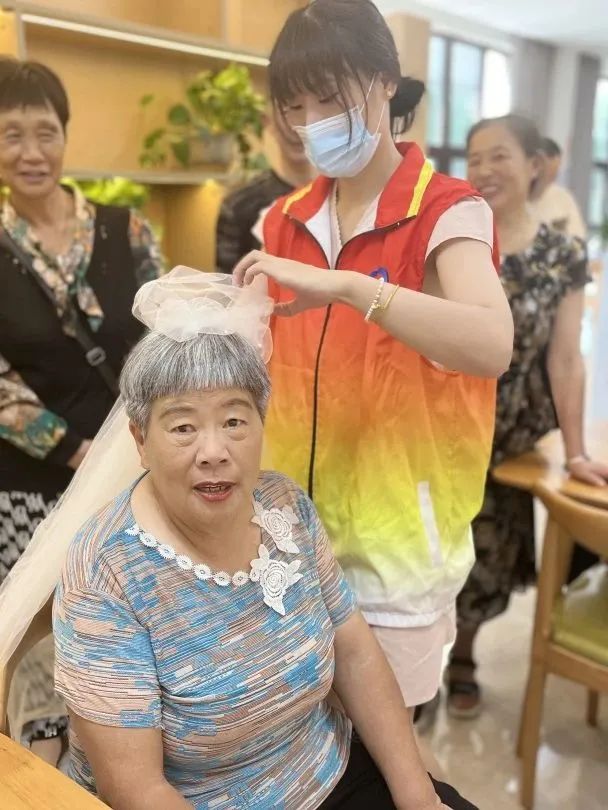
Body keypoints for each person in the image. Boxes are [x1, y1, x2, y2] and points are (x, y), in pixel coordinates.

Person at [43, 268, 477, 809]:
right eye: (183, 427)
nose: (213, 452)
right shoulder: (106, 571)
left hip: (330, 769)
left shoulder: (285, 505)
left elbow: (354, 652)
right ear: (140, 438)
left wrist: (418, 796)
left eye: (234, 421)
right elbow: (135, 788)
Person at [233, 0, 513, 721]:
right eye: (297, 107)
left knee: (386, 752)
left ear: (387, 81)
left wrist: (352, 288)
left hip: (396, 557)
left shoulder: (449, 213)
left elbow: (492, 343)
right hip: (286, 541)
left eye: (332, 98)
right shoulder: (282, 219)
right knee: (298, 741)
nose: (313, 123)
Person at [0, 57, 161, 758]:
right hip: (29, 485)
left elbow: (164, 338)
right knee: (39, 637)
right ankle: (42, 776)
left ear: (66, 135)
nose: (30, 151)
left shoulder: (128, 230)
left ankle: (123, 766)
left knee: (124, 629)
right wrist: (76, 451)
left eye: (45, 131)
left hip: (132, 475)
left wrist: (144, 443)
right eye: (10, 134)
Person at [445, 114, 608, 718]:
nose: (484, 170)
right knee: (420, 555)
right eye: (474, 158)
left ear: (535, 165)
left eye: (500, 156)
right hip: (440, 431)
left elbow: (565, 360)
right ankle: (411, 671)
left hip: (508, 441)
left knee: (485, 562)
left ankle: (462, 659)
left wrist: (578, 451)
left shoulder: (562, 255)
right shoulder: (451, 240)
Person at [215, 106, 313, 273]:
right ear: (267, 121)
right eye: (289, 111)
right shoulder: (239, 206)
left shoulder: (347, 196)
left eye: (305, 110)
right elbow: (228, 284)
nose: (297, 128)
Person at [529, 137, 587, 240]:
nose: (550, 178)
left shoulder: (563, 198)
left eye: (555, 173)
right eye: (546, 173)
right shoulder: (516, 195)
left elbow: (578, 238)